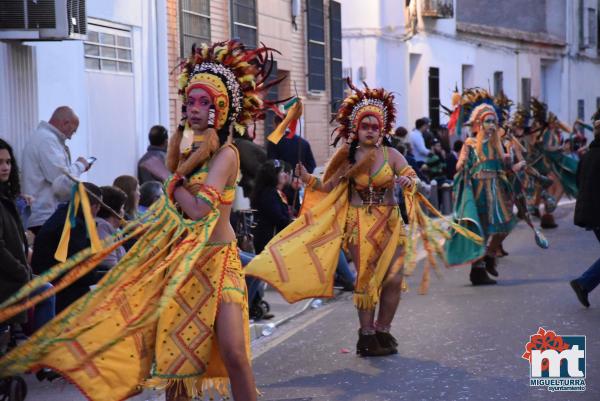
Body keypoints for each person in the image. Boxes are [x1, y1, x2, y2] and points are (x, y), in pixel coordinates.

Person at [0, 40, 279, 401]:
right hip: (182, 264)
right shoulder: (186, 150)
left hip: (218, 263)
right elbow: (177, 211)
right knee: (177, 364)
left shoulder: (225, 155)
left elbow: (199, 210)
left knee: (235, 353)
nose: (194, 109)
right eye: (190, 101)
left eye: (204, 102)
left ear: (221, 110)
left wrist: (166, 175)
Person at [246, 80, 480, 357]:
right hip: (360, 224)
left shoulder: (391, 155)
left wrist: (410, 183)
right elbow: (328, 187)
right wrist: (308, 178)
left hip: (391, 222)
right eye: (365, 126)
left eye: (375, 126)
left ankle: (383, 329)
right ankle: (366, 336)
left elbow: (415, 179)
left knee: (393, 280)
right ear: (356, 128)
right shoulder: (347, 156)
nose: (370, 130)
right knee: (368, 281)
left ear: (382, 129)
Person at [444, 89, 518, 285]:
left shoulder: (497, 144)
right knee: (482, 230)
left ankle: (490, 255)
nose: (491, 125)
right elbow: (460, 165)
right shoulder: (469, 143)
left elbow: (504, 166)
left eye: (494, 121)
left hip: (496, 190)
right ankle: (477, 270)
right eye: (488, 121)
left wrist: (510, 161)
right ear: (478, 123)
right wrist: (462, 164)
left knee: (505, 225)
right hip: (478, 192)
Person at [30, 182, 103, 313]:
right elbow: (81, 267)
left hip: (51, 282)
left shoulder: (63, 216)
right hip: (64, 292)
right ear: (93, 206)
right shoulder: (73, 226)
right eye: (98, 207)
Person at [21, 106, 91, 234]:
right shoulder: (47, 140)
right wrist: (80, 165)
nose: (70, 137)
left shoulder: (43, 138)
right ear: (65, 123)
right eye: (73, 131)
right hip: (44, 217)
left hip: (42, 215)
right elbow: (62, 182)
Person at [528, 98, 579, 229]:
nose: (556, 123)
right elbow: (548, 147)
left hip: (549, 164)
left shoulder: (548, 132)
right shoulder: (549, 133)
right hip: (552, 164)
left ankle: (546, 216)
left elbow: (569, 130)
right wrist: (560, 148)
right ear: (551, 123)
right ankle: (546, 214)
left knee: (552, 190)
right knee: (558, 188)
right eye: (555, 122)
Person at [570, 108, 600, 307]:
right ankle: (583, 283)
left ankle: (584, 283)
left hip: (591, 215)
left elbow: (579, 184)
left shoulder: (588, 155)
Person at [251, 159, 292, 254]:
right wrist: (292, 223)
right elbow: (278, 218)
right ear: (273, 175)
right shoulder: (269, 194)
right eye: (282, 172)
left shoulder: (276, 192)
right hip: (269, 238)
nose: (285, 175)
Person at [96, 186, 127, 271]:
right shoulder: (101, 228)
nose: (123, 212)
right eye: (122, 207)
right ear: (114, 211)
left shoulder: (114, 230)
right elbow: (112, 267)